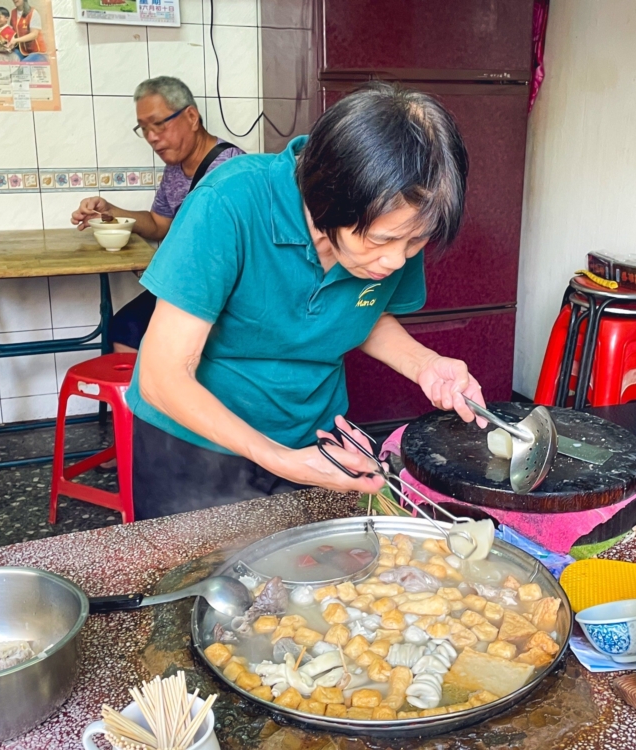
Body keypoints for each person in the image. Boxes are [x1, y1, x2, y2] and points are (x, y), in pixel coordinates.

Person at [127, 82, 487, 520]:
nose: (396, 260)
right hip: (197, 448)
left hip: (314, 443)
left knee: (316, 582)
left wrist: (425, 364)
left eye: (416, 243)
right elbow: (163, 377)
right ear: (328, 198)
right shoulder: (230, 202)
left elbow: (364, 313)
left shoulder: (396, 226)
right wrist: (280, 459)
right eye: (383, 240)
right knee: (206, 585)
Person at [71, 76, 244, 353]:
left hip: (222, 298)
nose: (152, 137)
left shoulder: (232, 169)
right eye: (144, 129)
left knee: (134, 334)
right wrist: (110, 211)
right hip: (185, 287)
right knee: (122, 329)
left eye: (159, 124)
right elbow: (159, 223)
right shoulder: (176, 166)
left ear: (191, 117)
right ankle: (144, 396)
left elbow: (237, 252)